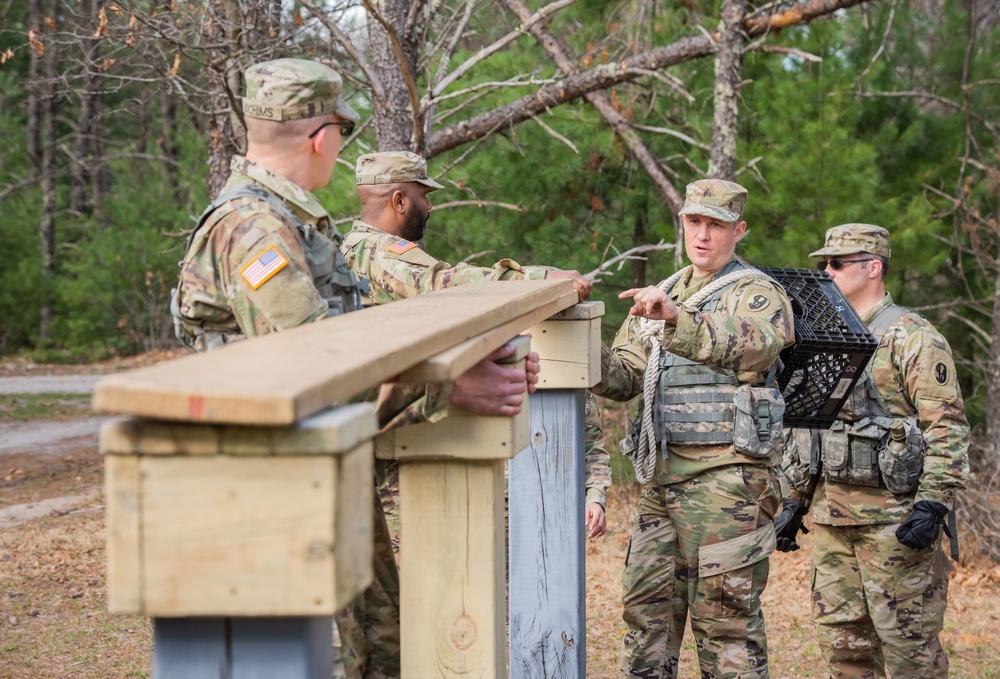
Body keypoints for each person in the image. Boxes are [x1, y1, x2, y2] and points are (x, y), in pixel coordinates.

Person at [170, 59, 537, 679]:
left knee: (381, 648)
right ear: (320, 138)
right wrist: (451, 386)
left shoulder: (293, 222)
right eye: (339, 131)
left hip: (324, 472)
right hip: (274, 491)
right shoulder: (253, 228)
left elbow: (356, 331)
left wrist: (468, 360)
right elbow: (316, 361)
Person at [341, 151, 610, 544]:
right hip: (389, 442)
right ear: (399, 201)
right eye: (423, 196)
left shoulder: (357, 249)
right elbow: (444, 285)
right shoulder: (377, 251)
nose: (429, 206)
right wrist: (537, 278)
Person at [593, 178, 794, 679]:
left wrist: (676, 319)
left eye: (716, 225)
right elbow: (621, 377)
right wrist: (571, 338)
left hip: (726, 485)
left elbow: (759, 344)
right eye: (694, 222)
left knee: (726, 628)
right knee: (646, 622)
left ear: (739, 230)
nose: (702, 235)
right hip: (661, 484)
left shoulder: (758, 293)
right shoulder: (664, 292)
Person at [777, 224, 969, 679]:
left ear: (873, 267)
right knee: (844, 651)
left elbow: (947, 427)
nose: (827, 271)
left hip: (895, 524)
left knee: (910, 652)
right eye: (824, 263)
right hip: (831, 523)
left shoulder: (913, 336)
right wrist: (794, 501)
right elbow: (814, 427)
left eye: (837, 263)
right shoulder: (825, 337)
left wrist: (933, 503)